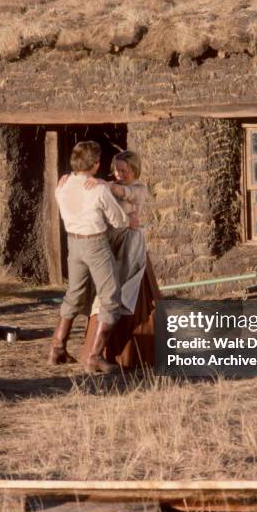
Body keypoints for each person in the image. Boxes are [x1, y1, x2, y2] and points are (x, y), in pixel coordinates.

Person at [48, 141, 132, 373]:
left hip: (73, 244)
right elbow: (119, 221)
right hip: (95, 244)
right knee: (110, 297)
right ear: (95, 164)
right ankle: (94, 356)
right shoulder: (98, 189)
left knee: (73, 294)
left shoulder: (62, 185)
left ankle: (57, 346)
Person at [82, 150, 160, 369]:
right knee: (104, 295)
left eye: (124, 170)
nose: (119, 174)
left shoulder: (138, 189)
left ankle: (131, 354)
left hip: (130, 251)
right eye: (117, 170)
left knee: (126, 295)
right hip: (111, 245)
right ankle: (97, 353)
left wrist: (102, 184)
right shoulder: (106, 187)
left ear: (134, 170)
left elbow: (123, 192)